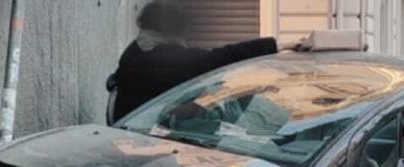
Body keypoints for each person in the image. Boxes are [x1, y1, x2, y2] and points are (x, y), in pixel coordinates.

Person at [113, 0, 287, 121]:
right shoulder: (162, 60)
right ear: (176, 31)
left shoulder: (137, 48)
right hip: (141, 141)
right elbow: (219, 57)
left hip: (128, 129)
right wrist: (278, 45)